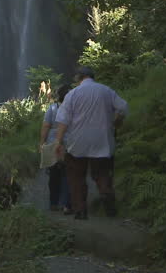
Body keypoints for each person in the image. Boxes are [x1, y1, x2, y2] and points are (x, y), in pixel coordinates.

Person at [54, 66, 128, 220]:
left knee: (76, 176)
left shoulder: (72, 94)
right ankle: (106, 196)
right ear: (92, 77)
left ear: (78, 78)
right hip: (102, 140)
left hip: (78, 142)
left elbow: (63, 121)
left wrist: (58, 142)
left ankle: (80, 210)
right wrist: (116, 122)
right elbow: (123, 108)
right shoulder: (106, 91)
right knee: (102, 173)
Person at [39, 84, 72, 213]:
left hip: (53, 145)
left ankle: (53, 203)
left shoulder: (52, 109)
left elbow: (46, 126)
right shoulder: (74, 109)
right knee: (67, 175)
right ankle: (66, 204)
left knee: (53, 175)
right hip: (70, 145)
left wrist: (42, 143)